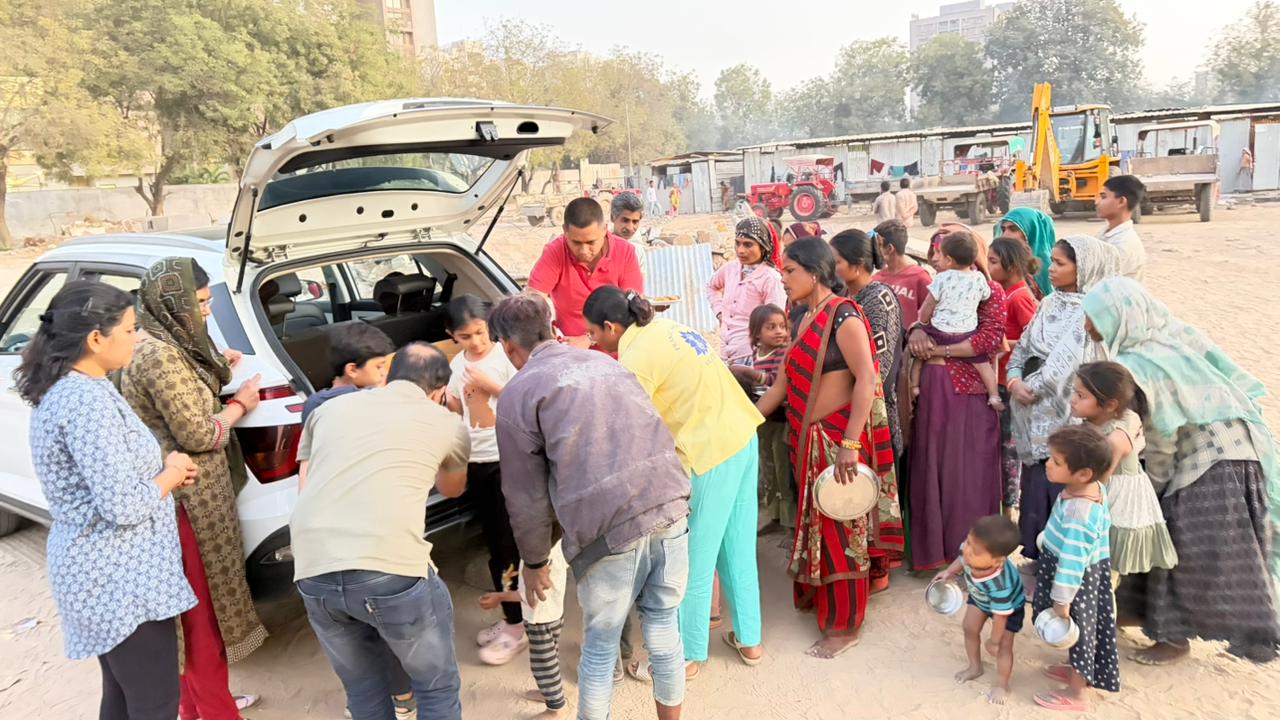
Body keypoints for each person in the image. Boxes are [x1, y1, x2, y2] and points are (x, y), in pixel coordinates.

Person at [490, 293, 691, 720]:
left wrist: (535, 561)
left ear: (509, 348)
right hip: (669, 504)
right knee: (663, 629)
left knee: (600, 647)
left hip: (608, 528)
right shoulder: (605, 361)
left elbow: (526, 498)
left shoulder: (518, 394)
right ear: (551, 326)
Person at [18, 281, 198, 720]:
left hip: (105, 575)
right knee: (154, 703)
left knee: (122, 698)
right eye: (131, 329)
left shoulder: (75, 388)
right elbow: (123, 506)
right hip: (119, 580)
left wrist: (162, 477)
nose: (138, 338)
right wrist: (171, 474)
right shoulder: (83, 401)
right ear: (96, 339)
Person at [1083, 277, 1280, 665]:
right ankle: (1146, 617)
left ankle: (1180, 639)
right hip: (1243, 453)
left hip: (1208, 464)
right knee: (1222, 550)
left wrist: (1152, 489)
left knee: (1184, 550)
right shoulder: (1171, 343)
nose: (1088, 326)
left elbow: (1162, 437)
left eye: (1093, 317)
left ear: (1117, 319)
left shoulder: (1138, 367)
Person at [584, 287, 765, 680]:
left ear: (611, 327)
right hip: (743, 436)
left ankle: (690, 653)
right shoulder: (668, 326)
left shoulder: (634, 358)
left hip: (710, 453)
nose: (594, 342)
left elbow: (632, 430)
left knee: (695, 558)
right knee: (736, 547)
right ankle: (750, 640)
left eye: (594, 334)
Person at [292, 343, 471, 720]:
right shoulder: (446, 423)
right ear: (439, 391)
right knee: (435, 685)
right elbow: (453, 489)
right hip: (390, 568)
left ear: (387, 376)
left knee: (363, 687)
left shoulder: (328, 409)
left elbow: (305, 483)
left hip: (312, 565)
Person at [121, 258, 267, 720]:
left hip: (191, 500)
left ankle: (198, 707)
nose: (206, 313)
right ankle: (218, 711)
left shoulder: (168, 342)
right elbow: (200, 435)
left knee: (195, 616)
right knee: (201, 619)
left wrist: (220, 365)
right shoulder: (159, 355)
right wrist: (240, 405)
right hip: (188, 506)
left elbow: (190, 387)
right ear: (172, 304)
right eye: (199, 303)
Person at [755, 238, 900, 658]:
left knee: (842, 533)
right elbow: (782, 384)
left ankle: (845, 627)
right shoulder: (804, 319)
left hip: (839, 441)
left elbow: (868, 381)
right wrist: (743, 423)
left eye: (789, 271)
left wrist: (850, 444)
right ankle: (826, 602)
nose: (783, 279)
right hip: (809, 439)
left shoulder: (845, 318)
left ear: (814, 273)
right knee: (824, 529)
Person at [1006, 236, 1120, 592]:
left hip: (1065, 406)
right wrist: (1012, 379)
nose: (1051, 269)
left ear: (1083, 269)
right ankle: (1037, 559)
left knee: (1063, 476)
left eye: (1060, 264)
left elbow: (1062, 365)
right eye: (1052, 261)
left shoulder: (1092, 312)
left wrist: (1031, 388)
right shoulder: (1049, 302)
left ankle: (1061, 568)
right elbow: (1024, 345)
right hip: (1031, 402)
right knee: (1037, 481)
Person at [904, 226, 1005, 573]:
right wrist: (917, 332)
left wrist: (939, 350)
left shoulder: (992, 290)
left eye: (939, 252)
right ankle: (936, 554)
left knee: (967, 473)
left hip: (970, 393)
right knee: (934, 465)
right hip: (936, 387)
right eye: (932, 251)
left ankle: (973, 556)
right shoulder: (944, 285)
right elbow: (918, 324)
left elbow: (989, 339)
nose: (934, 259)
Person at [442, 296, 525, 665]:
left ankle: (517, 628)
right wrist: (450, 404)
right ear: (451, 336)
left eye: (480, 332)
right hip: (476, 461)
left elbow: (525, 403)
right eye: (465, 336)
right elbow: (461, 410)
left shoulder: (506, 358)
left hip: (505, 460)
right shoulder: (455, 365)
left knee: (507, 547)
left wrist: (491, 386)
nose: (475, 342)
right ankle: (512, 619)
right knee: (494, 543)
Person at [1031, 426, 1121, 712]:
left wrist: (1062, 600)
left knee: (1077, 630)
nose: (1048, 464)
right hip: (1088, 572)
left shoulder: (1079, 513)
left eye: (1057, 462)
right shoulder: (1091, 490)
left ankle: (1078, 693)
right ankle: (1075, 671)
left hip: (1075, 581)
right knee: (1085, 628)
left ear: (1083, 473)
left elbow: (1072, 560)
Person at [1071, 362, 1177, 576]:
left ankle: (1102, 606)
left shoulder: (1116, 438)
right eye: (1075, 392)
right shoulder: (1103, 419)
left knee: (1105, 567)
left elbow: (1099, 483)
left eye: (1081, 396)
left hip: (1115, 501)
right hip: (1105, 492)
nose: (1073, 399)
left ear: (1109, 405)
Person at [527, 197, 644, 348]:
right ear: (565, 231)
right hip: (570, 352)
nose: (583, 251)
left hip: (618, 354)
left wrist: (589, 339)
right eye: (575, 242)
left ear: (604, 230)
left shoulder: (625, 252)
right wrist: (544, 330)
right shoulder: (555, 251)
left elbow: (633, 309)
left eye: (591, 242)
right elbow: (533, 299)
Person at [933, 515, 1024, 706]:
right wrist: (949, 572)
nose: (967, 550)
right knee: (969, 628)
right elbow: (961, 559)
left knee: (1003, 647)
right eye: (968, 542)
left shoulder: (1000, 584)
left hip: (1009, 608)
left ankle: (1002, 685)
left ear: (997, 560)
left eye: (974, 551)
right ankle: (975, 667)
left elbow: (1001, 616)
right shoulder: (970, 550)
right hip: (980, 596)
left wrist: (994, 640)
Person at [831, 228, 904, 454]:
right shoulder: (847, 296)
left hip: (877, 415)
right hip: (852, 408)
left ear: (858, 264)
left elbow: (878, 370)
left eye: (837, 262)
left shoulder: (879, 299)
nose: (831, 269)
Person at [910, 230, 1002, 411]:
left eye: (940, 253)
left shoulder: (942, 279)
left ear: (949, 259)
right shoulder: (980, 280)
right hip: (966, 332)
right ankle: (994, 396)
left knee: (919, 356)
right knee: (983, 365)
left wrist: (923, 324)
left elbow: (928, 305)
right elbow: (985, 295)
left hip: (941, 335)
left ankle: (913, 387)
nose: (935, 259)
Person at [478, 542, 570, 719]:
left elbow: (531, 596)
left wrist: (500, 597)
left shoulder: (538, 557)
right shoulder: (556, 545)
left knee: (543, 665)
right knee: (550, 657)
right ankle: (549, 693)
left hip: (540, 620)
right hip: (552, 615)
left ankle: (555, 709)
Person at [728, 304, 794, 535]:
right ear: (757, 333)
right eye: (771, 327)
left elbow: (774, 380)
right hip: (762, 420)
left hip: (781, 420)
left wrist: (746, 372)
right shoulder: (756, 355)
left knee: (783, 469)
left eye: (783, 327)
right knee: (768, 467)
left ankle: (789, 524)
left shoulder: (782, 354)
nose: (780, 332)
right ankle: (774, 515)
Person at [987, 238, 1040, 513]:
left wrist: (1004, 342)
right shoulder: (1006, 293)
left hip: (1010, 380)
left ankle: (1010, 505)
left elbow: (1037, 339)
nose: (988, 267)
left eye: (993, 262)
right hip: (1001, 378)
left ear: (1010, 265)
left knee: (1010, 447)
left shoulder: (1020, 296)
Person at [707, 216, 786, 361]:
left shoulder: (771, 279)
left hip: (753, 357)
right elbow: (712, 287)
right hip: (726, 353)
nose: (740, 250)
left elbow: (774, 324)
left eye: (748, 245)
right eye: (737, 244)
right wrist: (719, 312)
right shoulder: (730, 268)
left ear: (763, 247)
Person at [300, 323, 395, 424]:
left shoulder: (313, 402)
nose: (384, 373)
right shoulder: (369, 399)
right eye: (378, 367)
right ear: (352, 370)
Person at [873, 219, 932, 328]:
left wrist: (918, 331)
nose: (874, 251)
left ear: (889, 248)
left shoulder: (920, 277)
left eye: (878, 246)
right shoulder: (876, 280)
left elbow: (933, 314)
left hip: (910, 342)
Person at [994, 207, 1055, 298]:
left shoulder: (1048, 269)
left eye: (1013, 229)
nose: (1005, 235)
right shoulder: (1000, 261)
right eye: (1003, 230)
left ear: (1031, 232)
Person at [1095, 174, 1147, 280]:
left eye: (1104, 197)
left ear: (1121, 201)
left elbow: (1097, 281)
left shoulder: (1124, 244)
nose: (1097, 202)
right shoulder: (1105, 233)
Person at [611, 191, 649, 277]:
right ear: (612, 218)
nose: (630, 228)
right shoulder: (600, 247)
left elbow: (639, 286)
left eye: (635, 222)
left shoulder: (638, 251)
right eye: (625, 220)